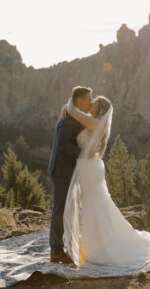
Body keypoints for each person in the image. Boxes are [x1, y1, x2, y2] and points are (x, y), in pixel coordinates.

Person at [61, 95, 150, 271]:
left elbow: (71, 110)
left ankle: (94, 253)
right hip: (90, 167)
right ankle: (93, 247)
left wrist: (73, 100)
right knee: (96, 207)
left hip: (89, 168)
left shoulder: (94, 123)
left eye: (93, 103)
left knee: (92, 208)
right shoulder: (94, 123)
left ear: (99, 108)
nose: (90, 104)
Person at [47, 86, 92, 263]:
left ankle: (59, 246)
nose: (90, 102)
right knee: (59, 210)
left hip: (63, 170)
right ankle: (56, 251)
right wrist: (82, 153)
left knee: (64, 208)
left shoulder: (70, 116)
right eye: (88, 99)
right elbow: (62, 145)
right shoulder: (70, 121)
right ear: (79, 101)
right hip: (62, 171)